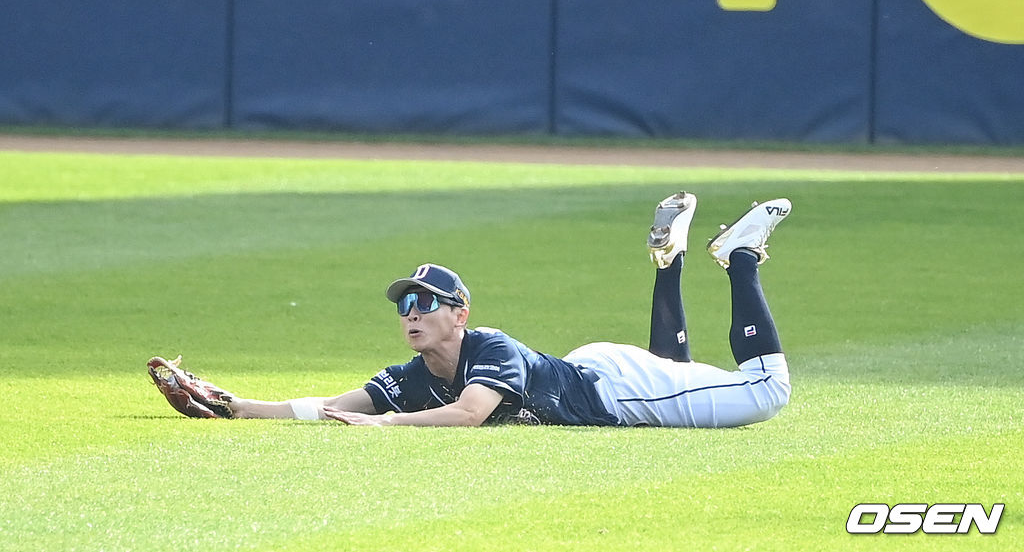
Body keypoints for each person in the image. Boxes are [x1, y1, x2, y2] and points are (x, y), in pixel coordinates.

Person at [149, 192, 792, 428]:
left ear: (460, 312)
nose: (410, 311)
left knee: (768, 393)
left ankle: (737, 257)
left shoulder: (488, 347)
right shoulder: (417, 371)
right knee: (675, 370)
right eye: (404, 302)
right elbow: (335, 407)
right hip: (597, 370)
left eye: (425, 302)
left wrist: (386, 429)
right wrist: (236, 407)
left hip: (614, 390)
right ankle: (670, 259)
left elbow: (467, 414)